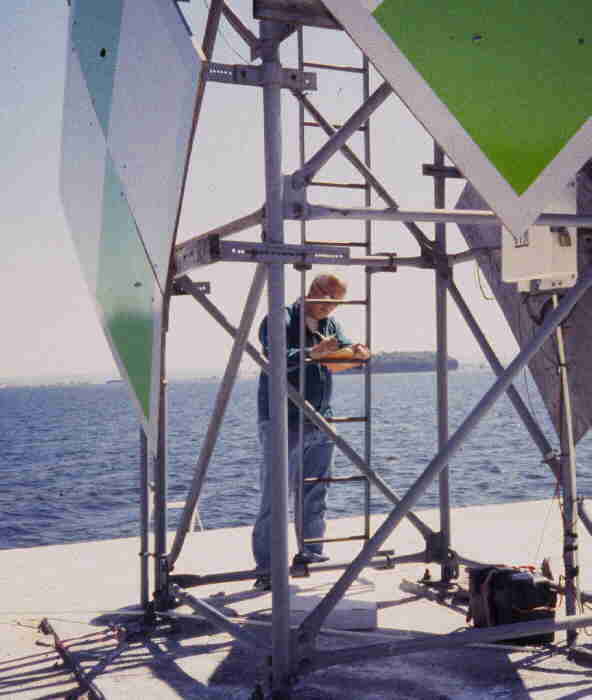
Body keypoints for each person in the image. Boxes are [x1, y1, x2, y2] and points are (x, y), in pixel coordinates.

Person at [252, 273, 370, 589]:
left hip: (319, 418)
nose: (331, 309)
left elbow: (339, 356)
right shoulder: (280, 318)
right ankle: (266, 570)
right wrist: (310, 354)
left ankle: (311, 554)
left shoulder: (330, 326)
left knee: (316, 490)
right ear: (314, 290)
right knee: (275, 497)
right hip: (282, 420)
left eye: (337, 303)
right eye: (329, 300)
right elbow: (273, 356)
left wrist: (357, 353)